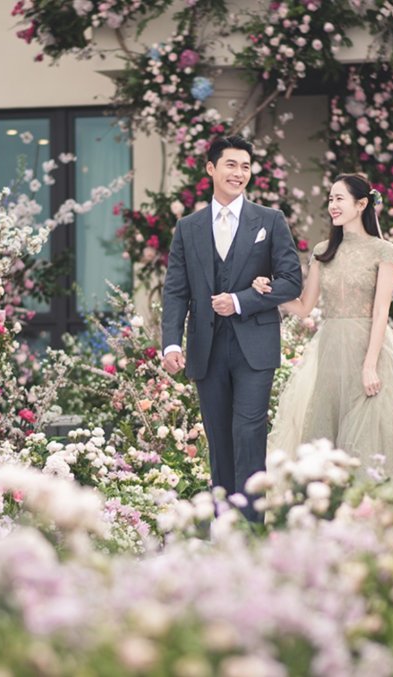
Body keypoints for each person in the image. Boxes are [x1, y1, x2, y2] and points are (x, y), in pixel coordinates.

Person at [253, 173, 393, 471]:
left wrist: (370, 364)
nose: (332, 205)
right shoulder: (322, 252)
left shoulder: (383, 251)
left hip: (368, 348)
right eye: (330, 199)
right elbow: (305, 307)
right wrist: (270, 293)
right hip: (330, 350)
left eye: (339, 198)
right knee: (326, 431)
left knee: (372, 435)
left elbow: (381, 310)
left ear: (361, 204)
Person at [161, 135, 303, 519]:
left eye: (245, 166)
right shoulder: (187, 228)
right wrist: (171, 343)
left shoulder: (270, 221)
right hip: (206, 346)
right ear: (211, 169)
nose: (239, 173)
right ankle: (225, 522)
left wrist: (241, 299)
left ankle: (253, 521)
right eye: (231, 165)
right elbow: (175, 290)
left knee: (249, 431)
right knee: (218, 436)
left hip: (254, 345)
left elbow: (291, 281)